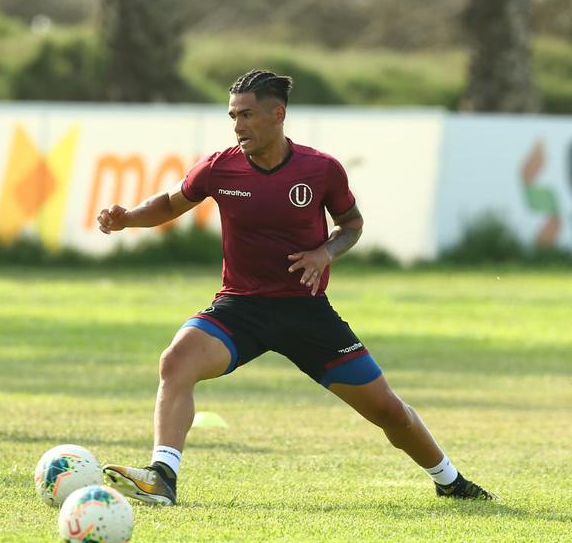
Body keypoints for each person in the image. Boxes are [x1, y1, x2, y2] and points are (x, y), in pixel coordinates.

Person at [96, 70, 495, 504]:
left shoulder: (321, 170)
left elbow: (352, 225)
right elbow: (172, 202)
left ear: (277, 114)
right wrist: (128, 217)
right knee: (176, 361)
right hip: (239, 310)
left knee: (388, 411)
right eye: (233, 116)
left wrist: (325, 253)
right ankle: (162, 476)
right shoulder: (219, 167)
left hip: (307, 315)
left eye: (246, 115)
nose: (237, 126)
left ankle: (450, 481)